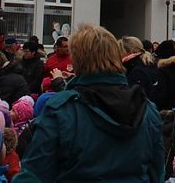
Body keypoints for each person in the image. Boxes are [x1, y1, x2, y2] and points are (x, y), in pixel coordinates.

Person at [16, 24, 164, 182]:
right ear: (116, 55)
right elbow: (157, 173)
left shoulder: (60, 110)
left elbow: (34, 174)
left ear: (77, 59)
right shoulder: (147, 109)